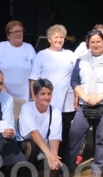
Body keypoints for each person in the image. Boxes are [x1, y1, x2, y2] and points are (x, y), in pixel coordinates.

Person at [64, 28, 103, 177]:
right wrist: (84, 96)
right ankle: (68, 167)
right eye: (92, 42)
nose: (96, 45)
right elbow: (74, 80)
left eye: (98, 42)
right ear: (88, 43)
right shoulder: (81, 59)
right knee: (74, 134)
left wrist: (100, 97)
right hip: (85, 104)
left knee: (102, 137)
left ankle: (97, 169)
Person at [29, 24, 76, 159]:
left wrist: (76, 98)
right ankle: (40, 157)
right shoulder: (42, 55)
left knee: (63, 131)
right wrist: (34, 97)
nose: (59, 39)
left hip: (66, 101)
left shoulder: (69, 54)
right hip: (45, 100)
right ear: (49, 39)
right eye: (56, 37)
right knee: (44, 130)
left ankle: (61, 159)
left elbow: (75, 77)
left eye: (62, 37)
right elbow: (33, 79)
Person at [17, 79, 63, 177]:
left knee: (47, 154)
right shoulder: (27, 108)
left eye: (49, 94)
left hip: (42, 144)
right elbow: (33, 133)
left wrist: (54, 156)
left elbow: (54, 136)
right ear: (36, 95)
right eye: (42, 94)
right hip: (24, 143)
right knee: (32, 146)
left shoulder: (55, 111)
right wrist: (49, 154)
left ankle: (33, 171)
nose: (46, 97)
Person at [0, 20, 36, 102]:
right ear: (8, 35)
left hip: (24, 96)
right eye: (15, 32)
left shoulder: (29, 48)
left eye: (20, 31)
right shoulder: (2, 46)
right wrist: (2, 86)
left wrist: (34, 95)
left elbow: (34, 75)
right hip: (3, 94)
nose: (18, 34)